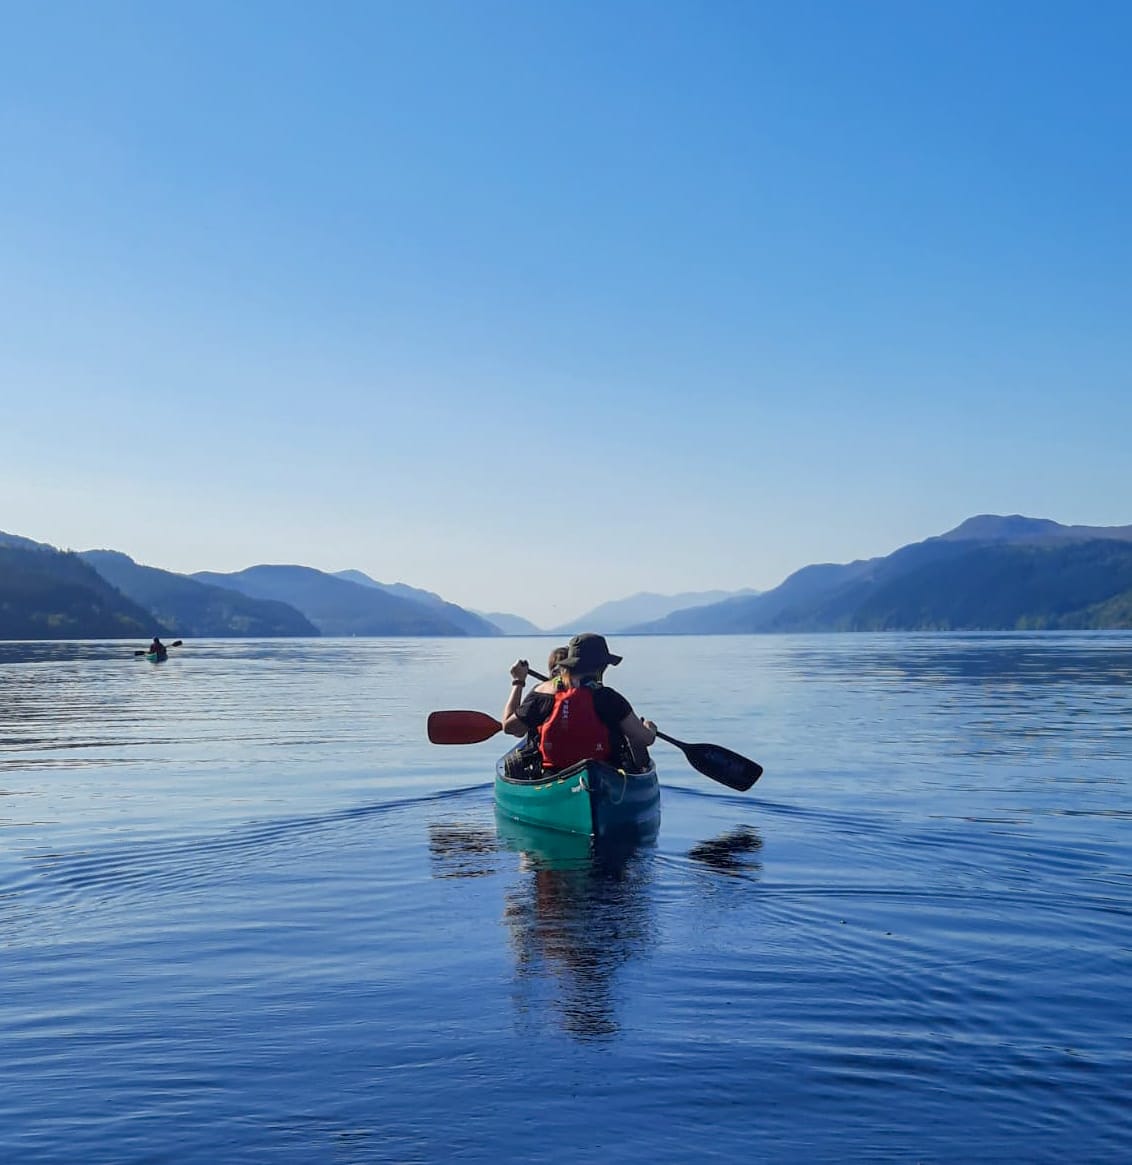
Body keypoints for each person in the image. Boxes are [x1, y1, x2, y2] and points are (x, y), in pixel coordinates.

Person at [502, 633, 657, 774]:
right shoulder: (609, 698)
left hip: (553, 774)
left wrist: (518, 681)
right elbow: (643, 739)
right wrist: (650, 729)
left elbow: (510, 727)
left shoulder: (543, 693)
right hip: (604, 772)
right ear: (602, 666)